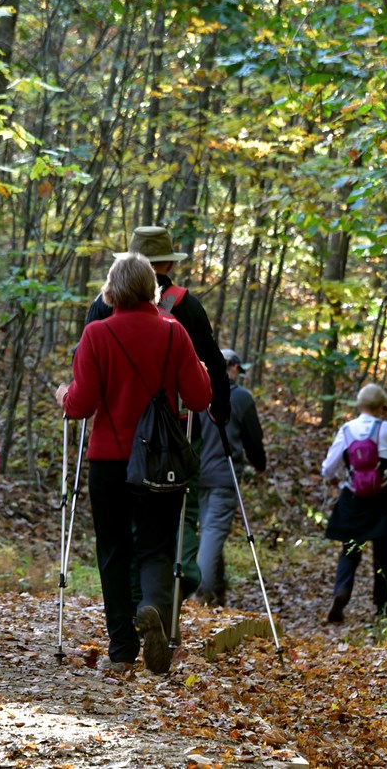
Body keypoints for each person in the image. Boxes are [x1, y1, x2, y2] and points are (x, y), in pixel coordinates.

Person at [55, 253, 212, 674]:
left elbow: (81, 404)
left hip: (109, 461)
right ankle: (152, 607)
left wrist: (62, 397)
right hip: (160, 463)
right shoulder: (174, 332)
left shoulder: (96, 334)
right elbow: (199, 398)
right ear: (152, 288)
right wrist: (198, 369)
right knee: (157, 546)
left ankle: (122, 650)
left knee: (114, 550)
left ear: (111, 289)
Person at [84, 225, 231, 600]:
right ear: (167, 262)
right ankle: (169, 594)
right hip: (174, 439)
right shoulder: (187, 307)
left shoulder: (102, 308)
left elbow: (84, 372)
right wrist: (221, 413)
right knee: (171, 525)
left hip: (114, 439)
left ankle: (133, 612)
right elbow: (214, 369)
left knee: (123, 534)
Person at [320, 383, 387, 622]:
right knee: (382, 552)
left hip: (353, 499)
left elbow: (327, 469)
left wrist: (333, 479)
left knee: (350, 549)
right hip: (383, 498)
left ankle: (342, 591)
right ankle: (382, 607)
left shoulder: (347, 429)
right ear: (382, 406)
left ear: (359, 404)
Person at [195, 348, 267, 608]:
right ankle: (201, 594)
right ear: (234, 367)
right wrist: (260, 464)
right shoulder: (241, 398)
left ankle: (218, 587)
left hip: (198, 473)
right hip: (224, 476)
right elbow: (253, 438)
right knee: (213, 532)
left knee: (210, 533)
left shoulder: (197, 394)